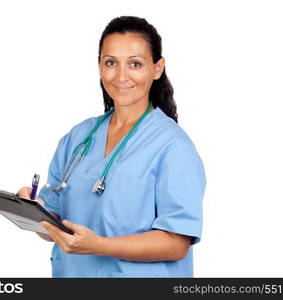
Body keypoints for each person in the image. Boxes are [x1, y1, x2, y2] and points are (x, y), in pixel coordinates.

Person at [17, 16, 206, 278]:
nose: (121, 76)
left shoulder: (173, 147)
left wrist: (100, 246)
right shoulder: (78, 138)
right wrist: (32, 210)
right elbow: (55, 226)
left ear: (157, 68)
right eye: (111, 63)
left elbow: (176, 243)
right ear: (99, 67)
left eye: (135, 64)